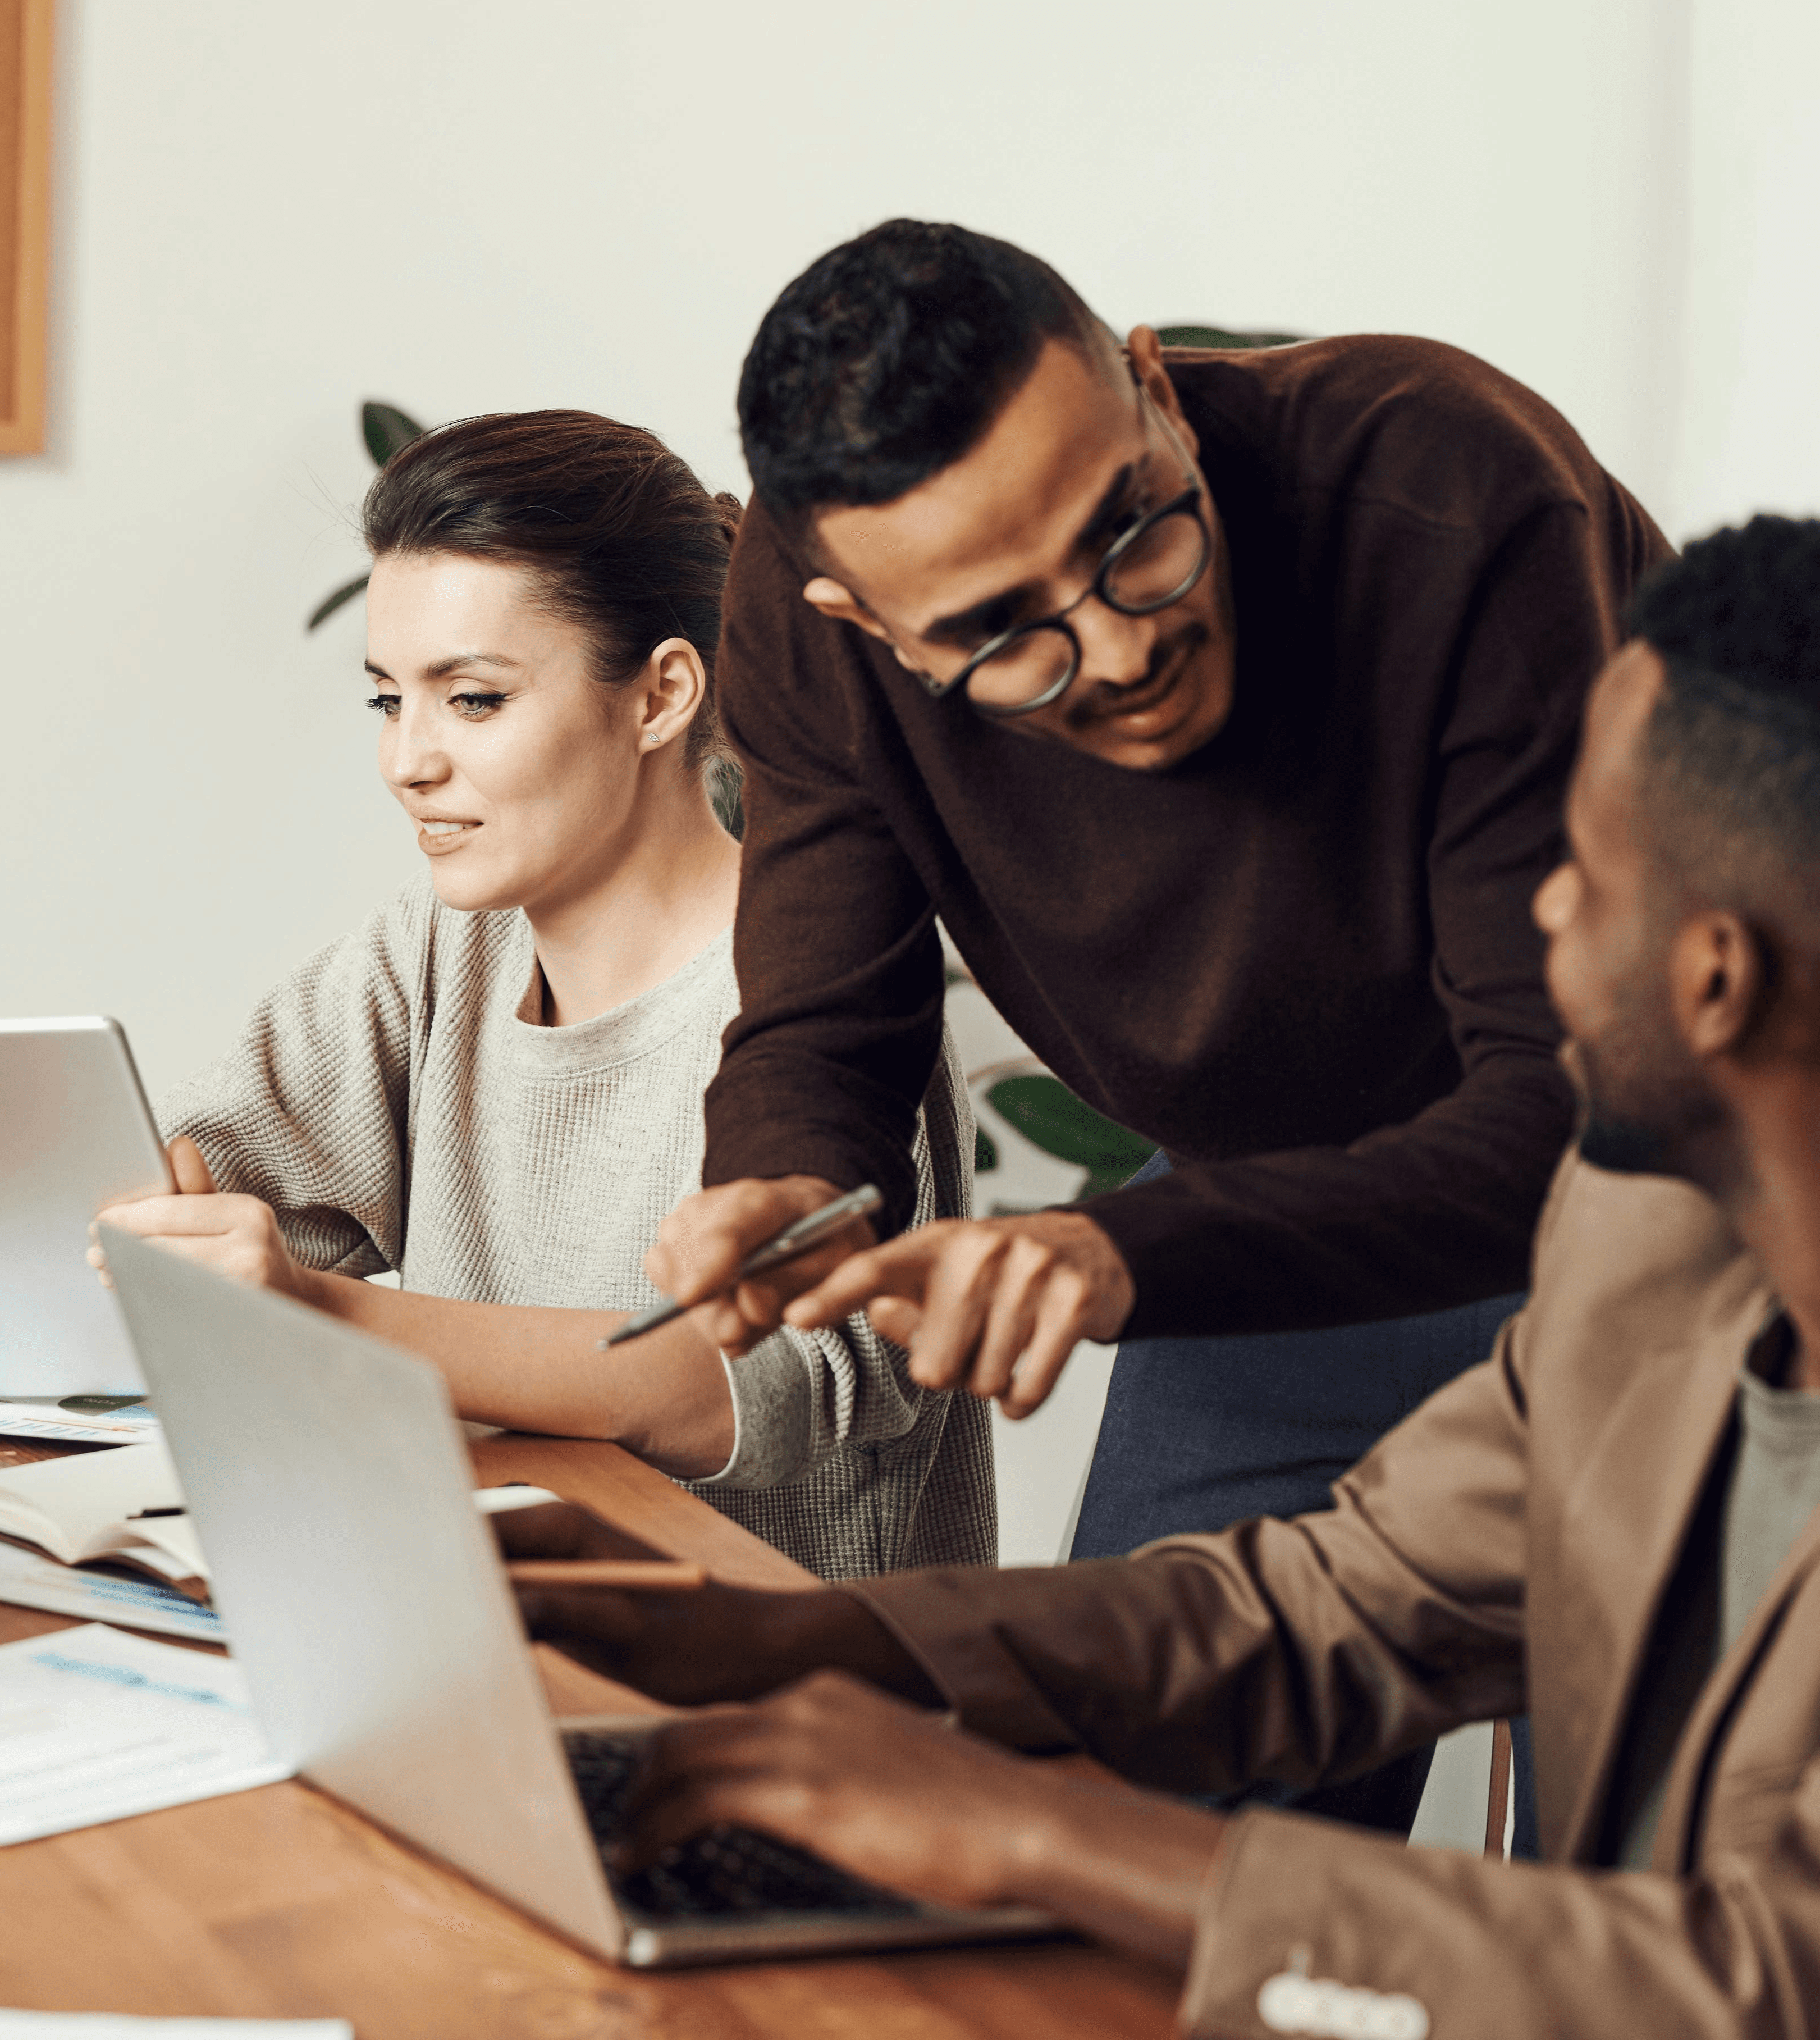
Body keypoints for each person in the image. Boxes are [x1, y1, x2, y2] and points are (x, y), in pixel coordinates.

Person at [511, 517, 1820, 2034]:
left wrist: (1035, 1832)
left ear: (1713, 976)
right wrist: (814, 1639)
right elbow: (1336, 1604)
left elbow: (1763, 1980)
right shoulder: (1643, 1245)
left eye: (1581, 873)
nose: (1537, 911)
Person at [650, 221, 1667, 1829]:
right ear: (865, 625)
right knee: (1137, 1856)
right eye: (998, 633)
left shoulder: (1450, 491)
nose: (1121, 647)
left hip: (1650, 1247)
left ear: (1153, 393)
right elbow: (820, 1025)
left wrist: (1112, 1256)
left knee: (1626, 1899)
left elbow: (1568, 1105)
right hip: (1264, 1251)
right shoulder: (795, 623)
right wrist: (781, 1179)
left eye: (1131, 532)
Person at [98, 410, 991, 1580]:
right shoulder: (440, 953)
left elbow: (757, 1391)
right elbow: (186, 1190)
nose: (407, 759)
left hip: (801, 1708)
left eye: (472, 700)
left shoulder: (833, 998)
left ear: (662, 695)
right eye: (387, 699)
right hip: (499, 1641)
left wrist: (328, 1316)